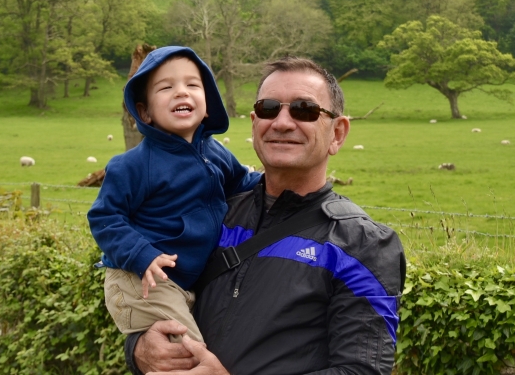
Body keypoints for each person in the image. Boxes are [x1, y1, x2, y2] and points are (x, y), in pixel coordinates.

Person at [126, 56, 406, 375]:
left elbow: (361, 370)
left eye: (304, 109)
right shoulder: (214, 214)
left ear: (337, 133)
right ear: (254, 123)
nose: (282, 123)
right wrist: (139, 349)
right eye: (268, 108)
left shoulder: (362, 244)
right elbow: (158, 296)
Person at [87, 46, 261, 343]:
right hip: (141, 279)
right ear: (145, 112)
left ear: (208, 104)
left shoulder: (216, 153)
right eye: (166, 87)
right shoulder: (134, 164)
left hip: (184, 283)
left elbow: (242, 182)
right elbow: (104, 217)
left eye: (192, 85)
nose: (181, 92)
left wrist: (278, 181)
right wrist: (141, 255)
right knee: (191, 353)